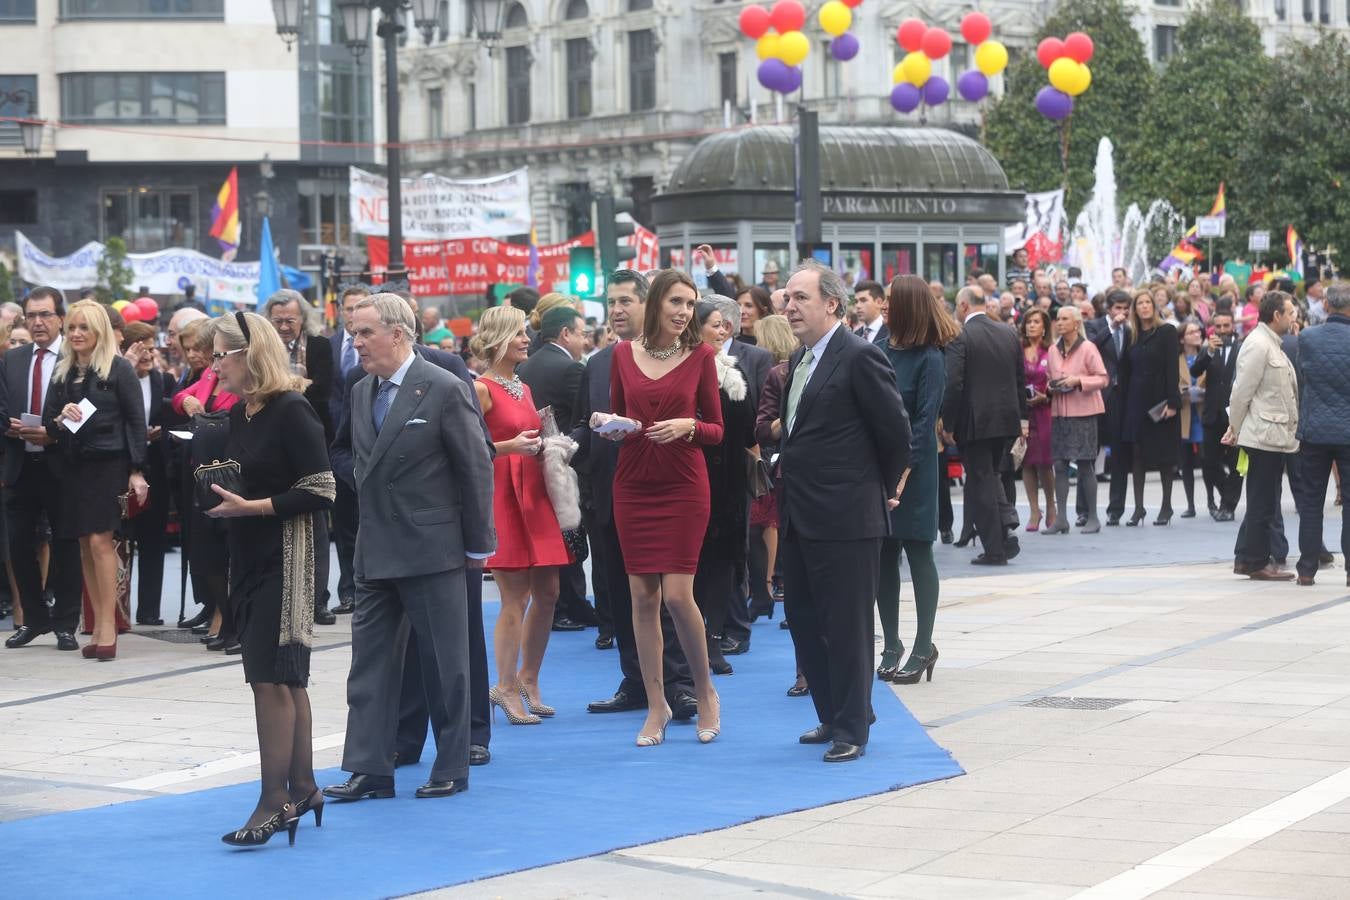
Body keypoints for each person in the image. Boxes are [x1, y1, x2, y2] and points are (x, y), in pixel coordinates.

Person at [325, 294, 494, 803]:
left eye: (363, 333)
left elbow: (475, 466)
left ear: (397, 334)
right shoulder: (360, 390)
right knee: (369, 665)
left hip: (433, 547)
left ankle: (452, 763)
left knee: (445, 665)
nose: (355, 344)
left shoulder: (443, 386)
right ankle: (370, 769)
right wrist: (363, 483)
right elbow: (352, 455)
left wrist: (477, 546)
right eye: (353, 333)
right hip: (375, 547)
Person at [203, 311, 334, 846]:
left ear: (248, 353)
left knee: (270, 676)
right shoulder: (243, 412)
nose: (214, 367)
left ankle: (274, 799)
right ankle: (302, 787)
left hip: (287, 555)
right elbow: (248, 472)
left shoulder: (291, 408)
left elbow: (323, 487)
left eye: (219, 355)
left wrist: (253, 507)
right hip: (250, 554)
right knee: (286, 676)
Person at [777, 260, 911, 762]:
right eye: (786, 298)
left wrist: (872, 486)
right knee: (804, 620)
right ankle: (833, 713)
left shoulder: (858, 356)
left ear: (831, 303)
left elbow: (896, 433)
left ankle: (852, 728)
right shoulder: (800, 359)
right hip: (799, 513)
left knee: (848, 625)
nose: (789, 306)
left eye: (800, 298)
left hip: (848, 517)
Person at [604, 268, 725, 747]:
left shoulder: (702, 356)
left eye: (691, 304)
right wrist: (609, 425)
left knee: (677, 595)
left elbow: (717, 428)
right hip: (633, 483)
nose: (684, 312)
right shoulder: (620, 354)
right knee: (642, 599)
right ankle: (656, 703)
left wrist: (687, 427)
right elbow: (620, 418)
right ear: (655, 303)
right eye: (676, 301)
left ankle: (705, 691)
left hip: (683, 484)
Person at [573, 270, 697, 720]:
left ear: (652, 303)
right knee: (622, 597)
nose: (616, 310)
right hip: (611, 494)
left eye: (625, 300)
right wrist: (563, 447)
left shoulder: (685, 356)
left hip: (668, 489)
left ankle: (680, 686)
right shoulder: (599, 362)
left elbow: (705, 421)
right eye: (611, 302)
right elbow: (584, 423)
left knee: (669, 596)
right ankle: (637, 681)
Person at [471, 306, 569, 724]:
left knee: (549, 592)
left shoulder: (521, 387)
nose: (527, 339)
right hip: (503, 494)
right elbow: (469, 448)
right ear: (498, 340)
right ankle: (505, 685)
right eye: (519, 334)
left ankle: (528, 678)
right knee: (516, 597)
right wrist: (511, 446)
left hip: (535, 492)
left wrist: (550, 444)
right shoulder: (480, 388)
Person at [42, 300, 148, 660]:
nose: (76, 334)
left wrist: (136, 470)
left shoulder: (119, 369)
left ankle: (107, 626)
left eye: (84, 327)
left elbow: (136, 423)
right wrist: (60, 418)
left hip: (108, 466)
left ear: (99, 330)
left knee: (102, 543)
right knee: (85, 545)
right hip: (72, 467)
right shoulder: (63, 369)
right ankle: (98, 622)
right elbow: (47, 424)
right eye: (72, 327)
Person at [876, 275, 952, 684]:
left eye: (890, 300)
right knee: (884, 553)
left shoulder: (930, 358)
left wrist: (903, 475)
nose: (884, 306)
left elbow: (925, 424)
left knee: (918, 551)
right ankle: (891, 643)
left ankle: (924, 645)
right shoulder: (877, 349)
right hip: (879, 466)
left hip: (916, 469)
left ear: (909, 306)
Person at [2, 288, 82, 651]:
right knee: (19, 545)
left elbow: (89, 408)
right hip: (21, 463)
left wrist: (54, 432)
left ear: (59, 318)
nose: (37, 322)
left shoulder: (77, 356)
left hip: (62, 464)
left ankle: (66, 623)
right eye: (30, 316)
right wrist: (10, 425)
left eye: (44, 315)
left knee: (66, 546)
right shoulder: (13, 359)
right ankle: (34, 618)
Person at [516, 305, 593, 635]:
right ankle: (570, 605)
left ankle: (568, 604)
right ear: (565, 333)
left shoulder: (525, 365)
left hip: (531, 461)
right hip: (564, 463)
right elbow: (584, 417)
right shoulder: (570, 368)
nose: (584, 341)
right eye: (580, 333)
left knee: (552, 536)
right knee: (570, 534)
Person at [690, 301, 755, 676]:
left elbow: (746, 431)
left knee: (721, 566)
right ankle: (692, 641)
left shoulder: (734, 373)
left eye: (724, 325)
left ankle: (714, 639)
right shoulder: (680, 370)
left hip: (728, 484)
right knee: (692, 567)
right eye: (714, 325)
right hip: (691, 481)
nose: (723, 331)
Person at [265, 290, 336, 626]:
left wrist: (283, 387)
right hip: (273, 444)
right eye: (277, 320)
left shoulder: (318, 346)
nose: (283, 326)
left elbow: (323, 389)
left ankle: (318, 599)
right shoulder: (263, 347)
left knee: (317, 522)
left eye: (289, 320)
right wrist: (296, 385)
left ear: (301, 319)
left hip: (312, 437)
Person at [943, 286, 1026, 566]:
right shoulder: (1008, 333)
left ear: (964, 305)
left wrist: (948, 423)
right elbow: (1019, 380)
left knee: (981, 482)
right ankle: (1006, 525)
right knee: (991, 476)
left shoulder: (961, 336)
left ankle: (995, 549)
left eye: (957, 305)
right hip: (1006, 420)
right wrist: (1021, 420)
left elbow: (954, 384)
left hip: (975, 422)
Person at [173, 319, 243, 646]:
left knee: (229, 552)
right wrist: (186, 401)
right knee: (206, 555)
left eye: (217, 353)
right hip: (201, 475)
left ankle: (229, 619)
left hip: (233, 475)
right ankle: (221, 614)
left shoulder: (243, 378)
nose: (212, 360)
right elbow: (181, 397)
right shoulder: (210, 374)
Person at [1226, 291, 1299, 581]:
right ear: (1276, 315)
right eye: (1290, 312)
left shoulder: (1271, 343)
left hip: (1272, 433)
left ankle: (1245, 558)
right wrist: (1234, 427)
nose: (1294, 317)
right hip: (1262, 434)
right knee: (1263, 501)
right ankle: (1256, 561)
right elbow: (1241, 391)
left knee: (1263, 498)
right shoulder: (1258, 344)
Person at [1292, 282, 1350, 585]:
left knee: (1312, 501)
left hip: (1315, 430)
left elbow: (1304, 373)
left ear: (1326, 306)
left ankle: (1306, 569)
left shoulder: (1308, 337)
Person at [121, 321, 174, 626]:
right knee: (122, 541)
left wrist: (158, 433)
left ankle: (149, 610)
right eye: (140, 349)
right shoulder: (118, 377)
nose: (148, 355)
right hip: (122, 469)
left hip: (155, 469)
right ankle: (119, 608)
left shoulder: (161, 380)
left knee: (153, 541)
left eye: (151, 349)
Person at [1118, 289, 1182, 526]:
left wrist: (1173, 402)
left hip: (1160, 401)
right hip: (1136, 401)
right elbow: (1125, 371)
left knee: (1165, 456)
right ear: (1134, 309)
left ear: (1154, 306)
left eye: (1147, 302)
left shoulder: (1167, 331)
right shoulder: (1131, 334)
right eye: (1139, 303)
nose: (1144, 307)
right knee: (1137, 456)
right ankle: (1138, 508)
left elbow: (1172, 369)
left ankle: (1166, 506)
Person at [1044, 305, 1109, 534]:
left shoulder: (1088, 347)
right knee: (1059, 465)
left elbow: (1103, 378)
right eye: (1057, 319)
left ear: (1075, 322)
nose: (1059, 322)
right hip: (1060, 412)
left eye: (1064, 319)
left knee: (1085, 465)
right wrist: (1051, 386)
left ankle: (1093, 516)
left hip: (1084, 413)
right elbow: (1050, 377)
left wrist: (1078, 381)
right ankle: (1061, 518)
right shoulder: (1053, 349)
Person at [328, 284, 371, 617]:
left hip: (371, 444)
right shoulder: (325, 348)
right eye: (349, 308)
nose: (353, 313)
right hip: (337, 448)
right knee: (343, 523)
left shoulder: (376, 350)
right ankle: (348, 590)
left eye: (360, 307)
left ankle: (369, 585)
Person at [1190, 310, 1243, 521]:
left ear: (1233, 326)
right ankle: (1227, 495)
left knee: (1235, 464)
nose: (1222, 330)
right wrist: (1208, 352)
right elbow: (1195, 372)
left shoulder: (1243, 349)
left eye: (1226, 325)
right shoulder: (1207, 349)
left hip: (1235, 415)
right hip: (1212, 414)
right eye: (1218, 326)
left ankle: (1228, 506)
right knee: (1208, 461)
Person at [1088, 291, 1134, 525]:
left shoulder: (1129, 330)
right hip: (1096, 395)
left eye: (1126, 308)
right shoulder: (1094, 326)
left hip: (1121, 398)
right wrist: (1111, 328)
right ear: (1108, 309)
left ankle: (1115, 509)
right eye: (1118, 307)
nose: (1122, 312)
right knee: (1089, 453)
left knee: (1119, 456)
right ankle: (1084, 510)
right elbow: (1089, 349)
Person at [1018, 309, 1056, 532]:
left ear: (1044, 327)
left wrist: (1047, 396)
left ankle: (1051, 506)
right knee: (1026, 461)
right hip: (1024, 412)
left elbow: (1057, 379)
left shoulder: (1051, 350)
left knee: (1045, 462)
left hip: (1045, 411)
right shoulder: (1018, 350)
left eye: (1036, 322)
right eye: (1028, 322)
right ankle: (1034, 510)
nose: (1031, 325)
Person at [1177, 320, 1209, 518]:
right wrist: (1182, 391)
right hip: (1185, 413)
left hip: (1203, 412)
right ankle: (1190, 505)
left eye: (1198, 331)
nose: (1197, 334)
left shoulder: (1207, 355)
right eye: (1191, 332)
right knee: (1185, 462)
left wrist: (1205, 391)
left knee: (1207, 461)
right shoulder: (1176, 359)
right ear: (1182, 338)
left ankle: (1212, 501)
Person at [852, 281, 889, 346]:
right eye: (856, 301)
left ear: (879, 302)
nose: (858, 306)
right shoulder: (855, 335)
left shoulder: (891, 333)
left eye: (863, 300)